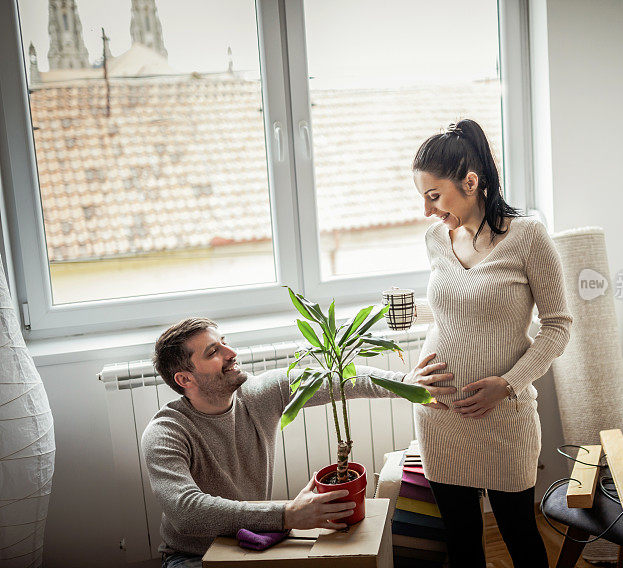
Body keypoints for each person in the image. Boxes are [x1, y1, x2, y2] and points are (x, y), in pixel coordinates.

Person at [142, 317, 455, 568]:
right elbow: (185, 511)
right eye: (213, 352)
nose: (230, 353)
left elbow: (337, 379)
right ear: (185, 379)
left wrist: (404, 385)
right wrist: (286, 514)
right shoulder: (166, 433)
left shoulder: (258, 394)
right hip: (194, 556)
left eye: (223, 343)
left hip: (255, 540)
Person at [412, 119, 572, 567]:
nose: (427, 210)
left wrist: (508, 383)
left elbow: (558, 325)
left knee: (521, 537)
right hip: (439, 417)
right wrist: (417, 376)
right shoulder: (434, 239)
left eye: (434, 195)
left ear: (471, 181)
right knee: (461, 543)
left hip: (505, 417)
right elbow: (445, 319)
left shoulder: (527, 237)